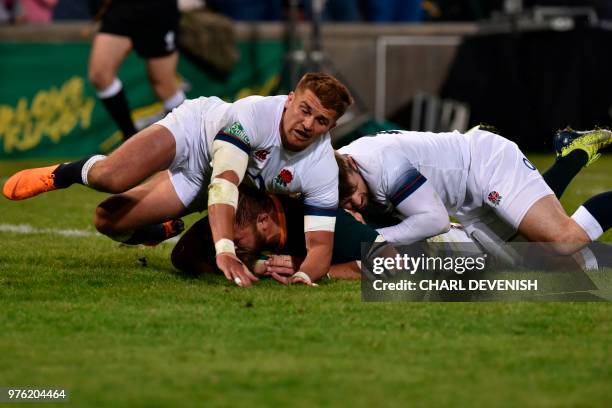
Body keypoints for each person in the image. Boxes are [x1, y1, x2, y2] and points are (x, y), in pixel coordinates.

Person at [2, 72, 354, 288]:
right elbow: (225, 184)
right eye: (305, 110)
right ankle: (63, 173)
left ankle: (159, 230)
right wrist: (226, 250)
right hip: (195, 135)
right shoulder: (254, 114)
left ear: (331, 127)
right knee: (112, 177)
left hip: (206, 180)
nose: (309, 125)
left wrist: (304, 278)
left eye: (321, 121)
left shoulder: (321, 166)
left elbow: (320, 247)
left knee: (106, 220)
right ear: (290, 100)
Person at [336, 127, 612, 256]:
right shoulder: (337, 173)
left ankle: (572, 154)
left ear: (350, 162)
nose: (355, 202)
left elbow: (435, 220)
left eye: (352, 191)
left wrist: (373, 238)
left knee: (563, 241)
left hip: (484, 164)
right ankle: (572, 154)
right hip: (463, 200)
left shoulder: (381, 163)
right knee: (531, 256)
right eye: (344, 200)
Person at [171, 185, 384, 283]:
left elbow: (400, 265)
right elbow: (181, 256)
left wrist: (318, 269)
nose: (231, 248)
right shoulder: (241, 216)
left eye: (235, 241)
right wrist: (254, 264)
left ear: (263, 221)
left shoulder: (325, 223)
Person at [88, 0, 186, 140]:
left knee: (163, 85)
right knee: (100, 75)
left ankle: (189, 139)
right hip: (121, 7)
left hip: (157, 8)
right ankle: (129, 138)